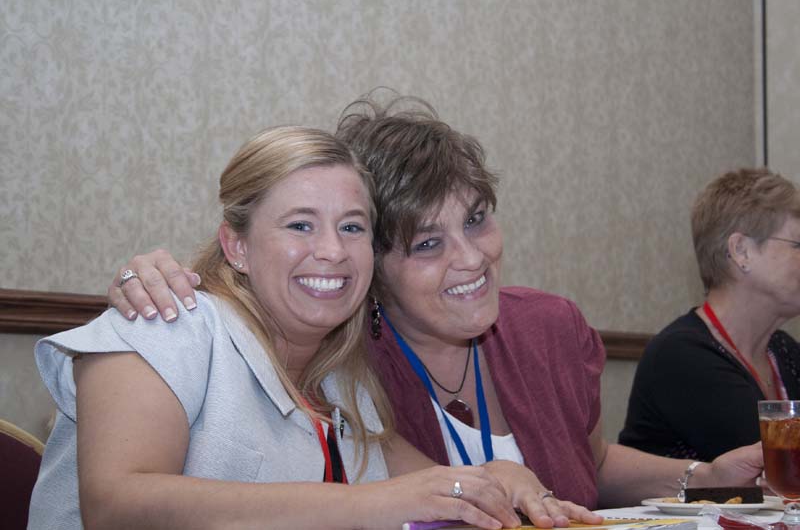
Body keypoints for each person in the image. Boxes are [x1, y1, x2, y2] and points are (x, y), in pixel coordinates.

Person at [107, 93, 764, 513]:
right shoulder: (323, 355)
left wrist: (702, 476)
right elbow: (114, 500)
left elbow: (551, 468)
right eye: (427, 243)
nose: (471, 259)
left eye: (476, 219)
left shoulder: (348, 380)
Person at [28, 126, 527, 530]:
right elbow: (116, 508)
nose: (332, 250)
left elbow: (432, 491)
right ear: (237, 246)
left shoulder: (342, 383)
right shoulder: (168, 321)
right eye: (300, 225)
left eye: (352, 227)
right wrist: (368, 505)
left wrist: (497, 479)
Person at [619, 168, 800, 461]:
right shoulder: (681, 355)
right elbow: (777, 461)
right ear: (741, 251)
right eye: (798, 245)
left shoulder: (784, 351)